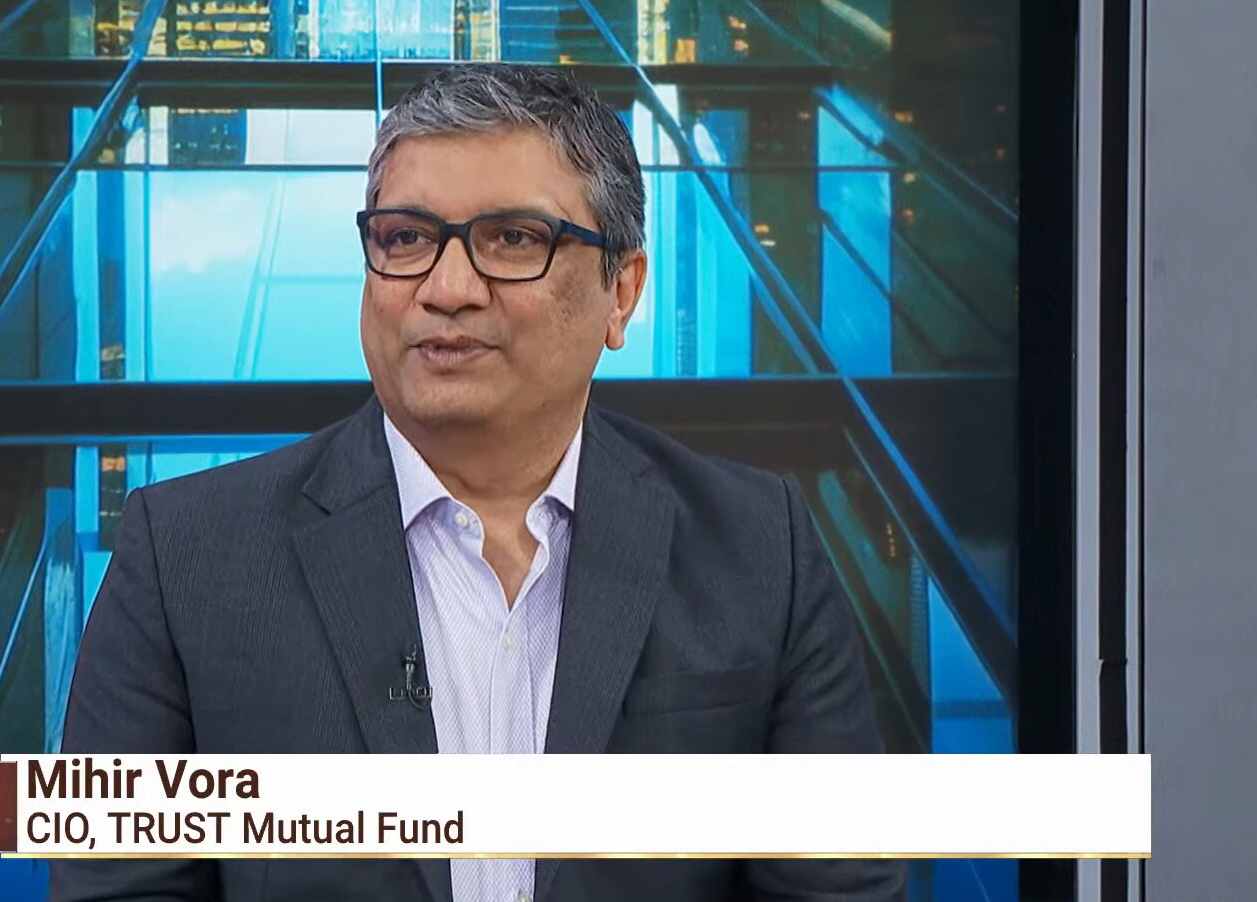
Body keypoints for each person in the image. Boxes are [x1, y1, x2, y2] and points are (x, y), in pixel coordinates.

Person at [53, 63, 904, 902]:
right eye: (406, 238)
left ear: (621, 292)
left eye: (513, 239)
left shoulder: (760, 551)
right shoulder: (184, 558)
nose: (447, 288)